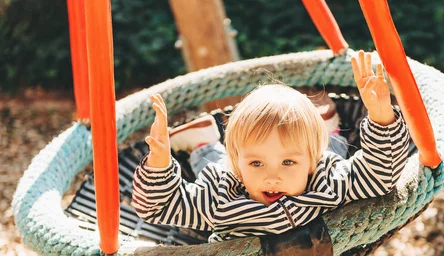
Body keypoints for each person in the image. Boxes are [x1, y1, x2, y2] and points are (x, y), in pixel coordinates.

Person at [132, 50, 410, 242]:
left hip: (316, 159)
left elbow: (381, 173)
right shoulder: (219, 199)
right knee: (213, 161)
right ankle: (202, 142)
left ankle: (327, 126)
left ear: (311, 164)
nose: (272, 176)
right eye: (256, 163)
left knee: (330, 150)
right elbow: (158, 207)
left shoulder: (329, 182)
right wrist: (158, 163)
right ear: (239, 166)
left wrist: (381, 116)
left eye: (288, 163)